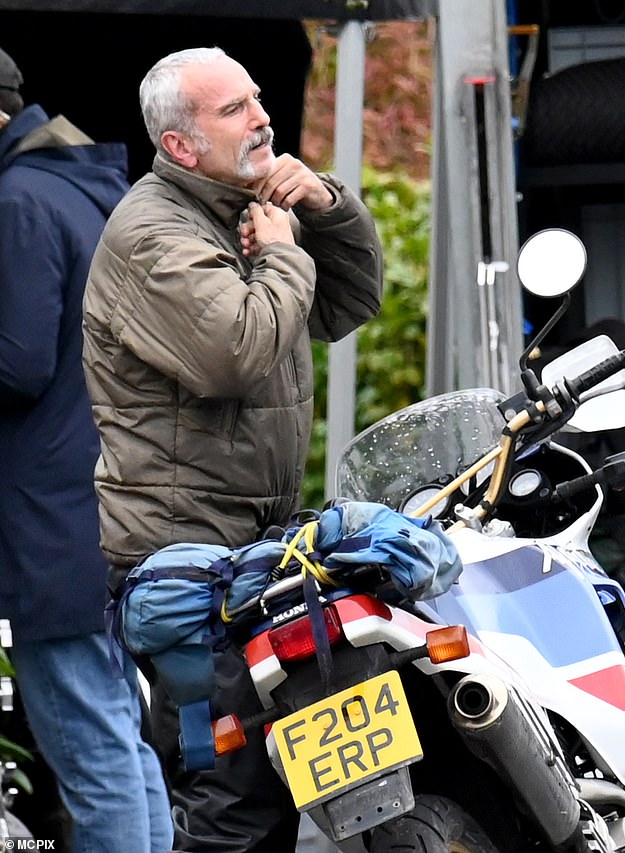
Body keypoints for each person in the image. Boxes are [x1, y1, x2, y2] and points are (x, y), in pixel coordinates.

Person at [82, 46, 383, 853]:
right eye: (235, 109)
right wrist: (283, 254)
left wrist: (322, 203)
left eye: (258, 99)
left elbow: (353, 297)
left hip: (254, 552)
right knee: (232, 796)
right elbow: (235, 350)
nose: (263, 118)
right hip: (183, 565)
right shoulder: (152, 233)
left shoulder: (244, 206)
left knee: (277, 784)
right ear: (181, 145)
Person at [0, 46, 173, 852]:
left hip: (46, 521)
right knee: (121, 741)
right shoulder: (82, 190)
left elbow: (17, 361)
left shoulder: (19, 202)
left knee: (91, 750)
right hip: (98, 503)